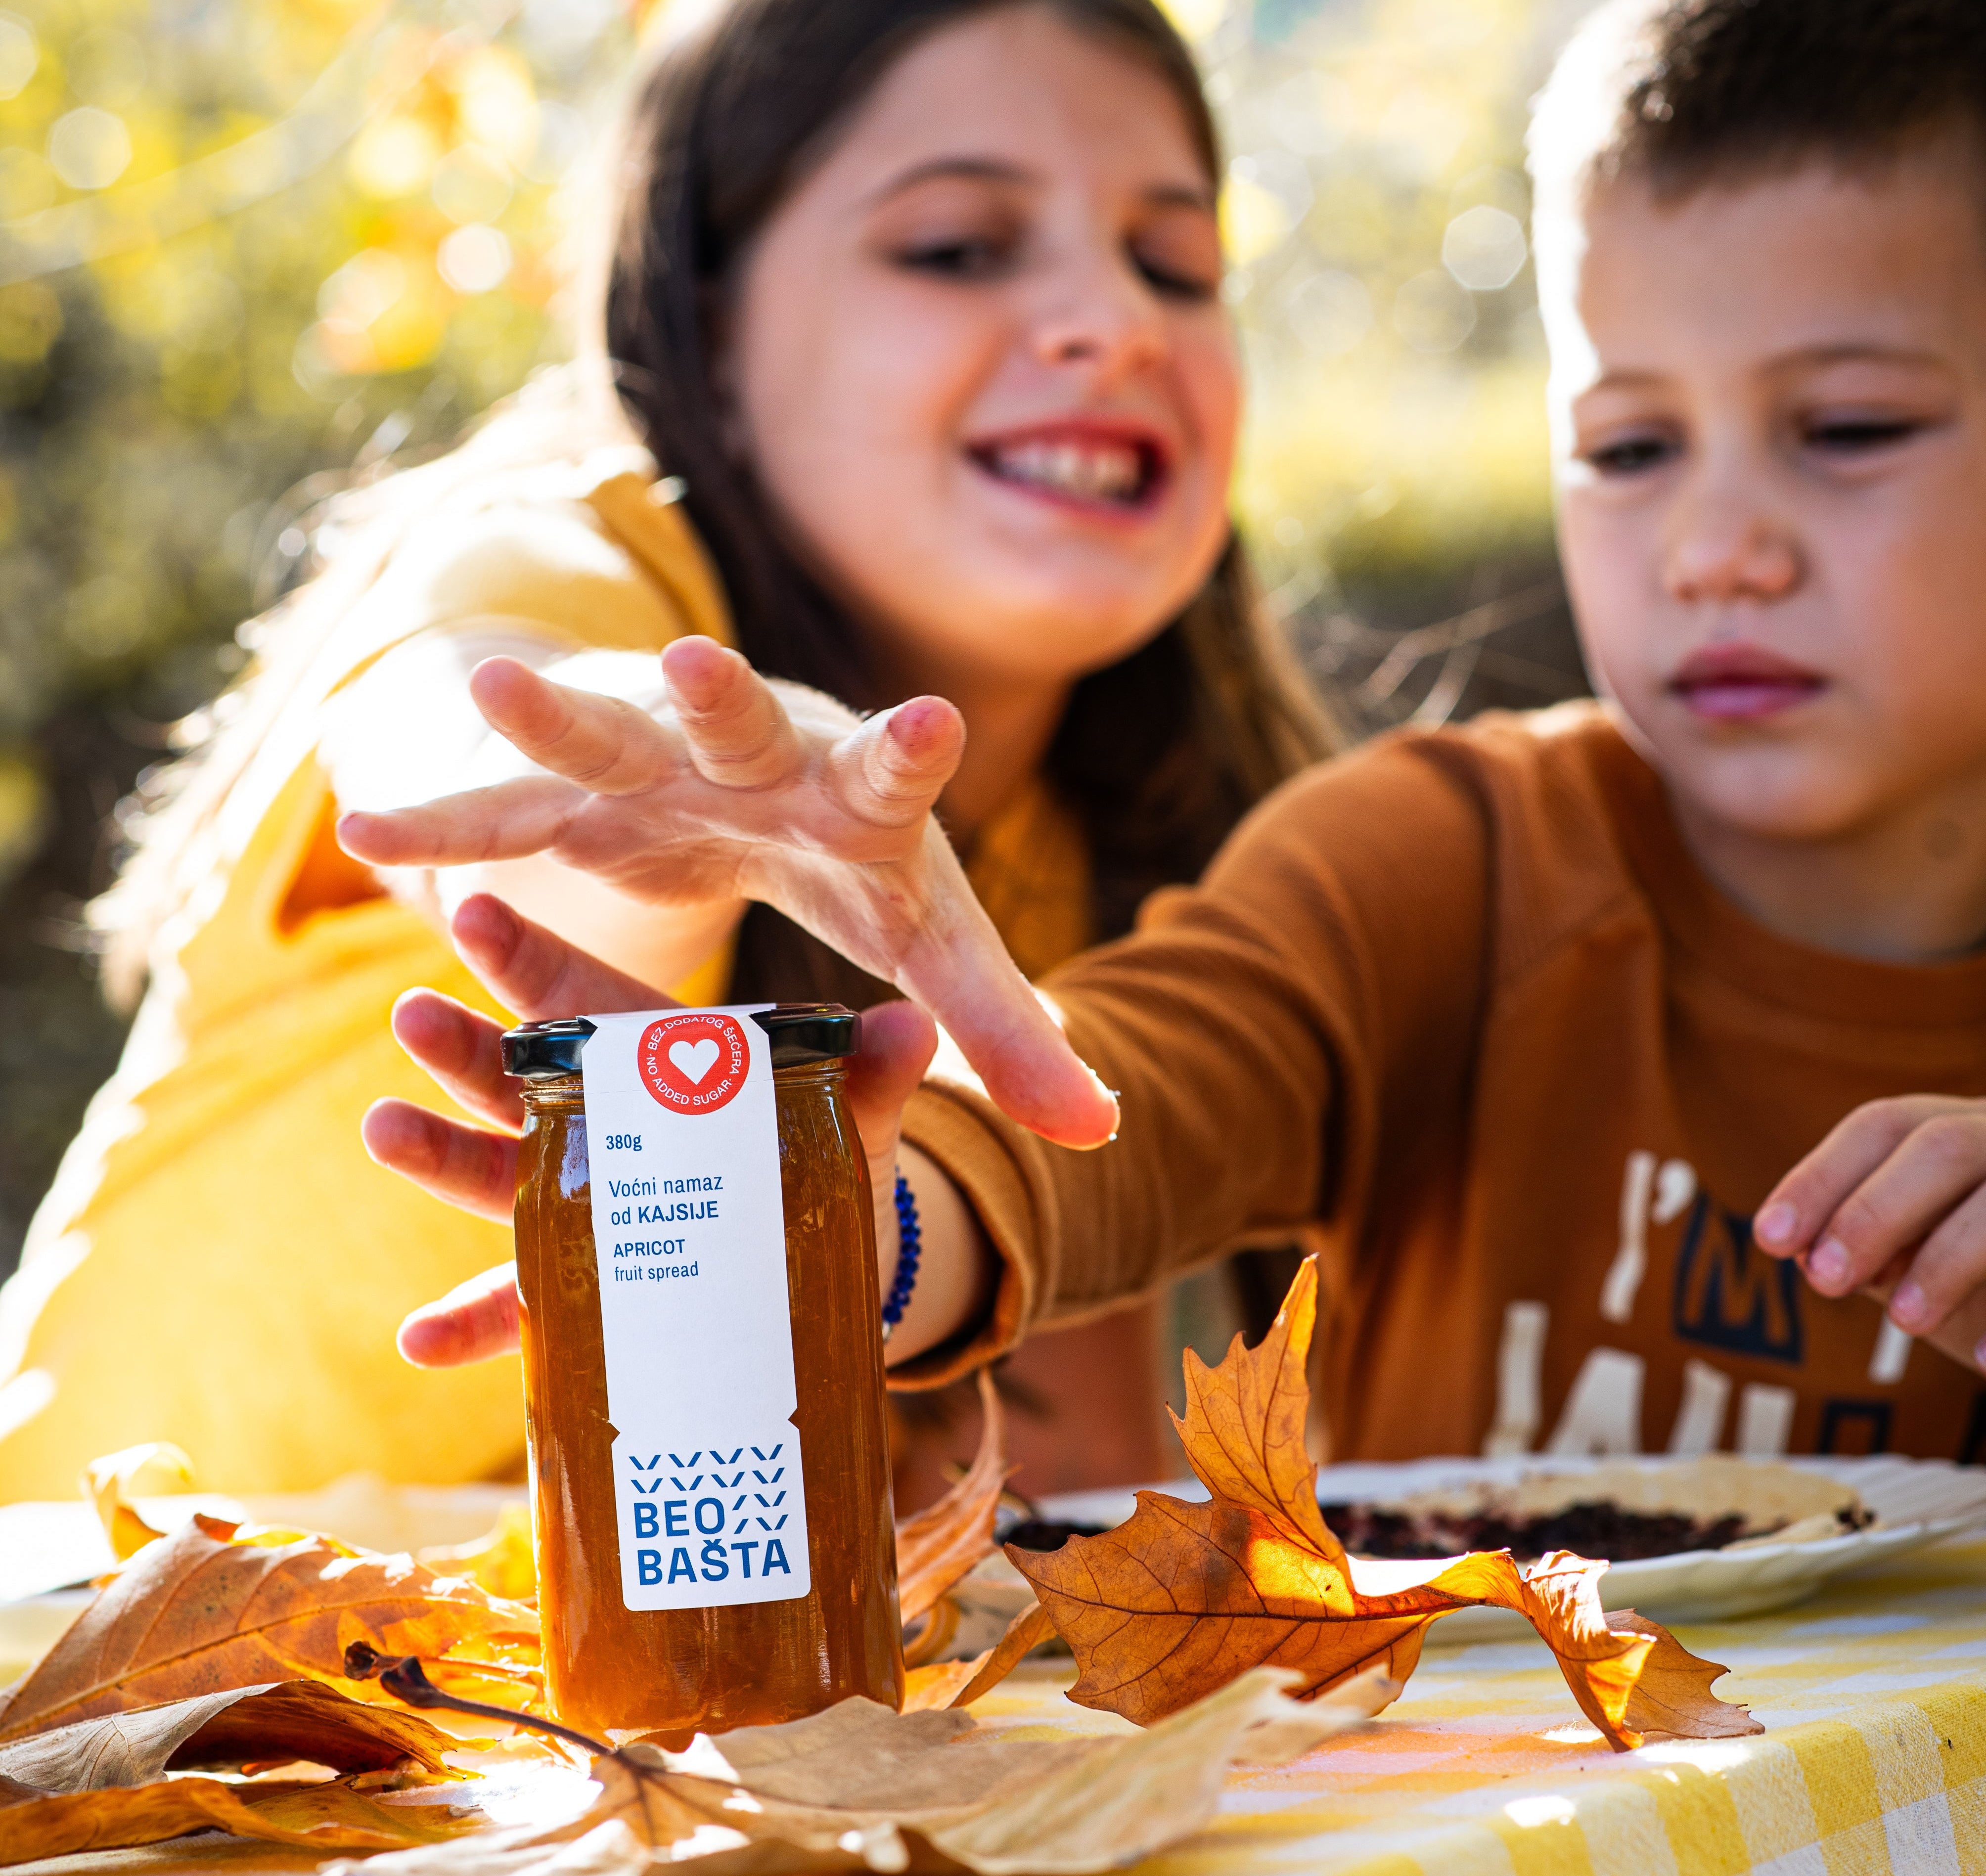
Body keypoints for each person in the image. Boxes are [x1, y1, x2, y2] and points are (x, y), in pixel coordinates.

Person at [357, 0, 1986, 1465]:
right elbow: (1115, 1104)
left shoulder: (1089, 806)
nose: (1715, 549)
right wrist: (851, 1237)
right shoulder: (1442, 863)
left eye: (1848, 430)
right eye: (1628, 449)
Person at [0, 0, 1330, 1499]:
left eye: (1178, 263)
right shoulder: (563, 551)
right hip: (95, 1680)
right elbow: (477, 740)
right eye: (957, 246)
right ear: (709, 326)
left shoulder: (1123, 834)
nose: (1119, 318)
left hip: (549, 1729)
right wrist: (660, 801)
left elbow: (1046, 1469)